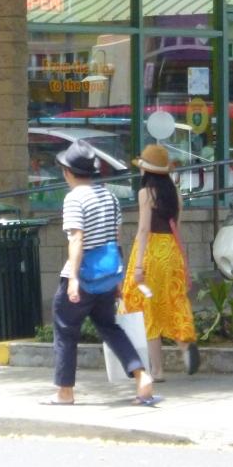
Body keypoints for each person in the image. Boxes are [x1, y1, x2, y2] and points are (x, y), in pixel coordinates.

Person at [48, 141, 157, 407]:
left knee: (65, 329)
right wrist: (117, 279)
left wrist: (73, 279)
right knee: (110, 327)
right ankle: (141, 376)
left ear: (67, 172)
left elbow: (77, 238)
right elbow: (115, 239)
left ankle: (65, 392)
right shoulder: (110, 197)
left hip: (83, 276)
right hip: (108, 276)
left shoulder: (74, 198)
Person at [121, 144, 200, 380]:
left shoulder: (146, 193)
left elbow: (144, 228)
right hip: (172, 252)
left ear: (147, 170)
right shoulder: (175, 194)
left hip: (151, 254)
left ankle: (157, 369)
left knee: (148, 308)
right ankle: (185, 345)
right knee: (174, 300)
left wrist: (138, 265)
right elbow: (177, 226)